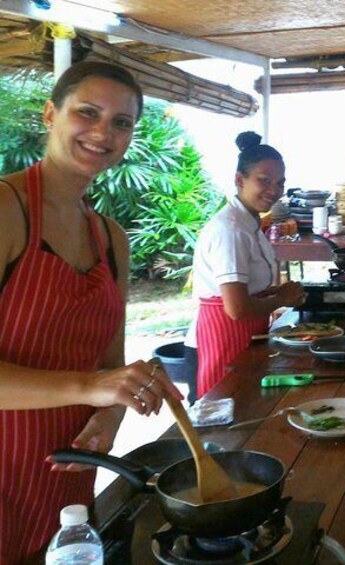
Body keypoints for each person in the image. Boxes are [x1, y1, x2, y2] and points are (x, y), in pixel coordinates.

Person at [0, 61, 183, 563]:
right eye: (88, 112)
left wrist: (108, 413)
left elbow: (110, 357)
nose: (104, 132)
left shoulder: (110, 238)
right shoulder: (6, 209)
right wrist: (91, 387)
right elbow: (94, 378)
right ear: (50, 115)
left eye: (122, 122)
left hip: (69, 469)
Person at [186, 132, 305, 398]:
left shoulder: (249, 223)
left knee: (246, 406)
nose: (274, 190)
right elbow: (236, 308)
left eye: (280, 182)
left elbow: (247, 288)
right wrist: (281, 298)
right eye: (264, 180)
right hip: (220, 340)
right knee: (226, 417)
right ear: (240, 180)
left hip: (243, 336)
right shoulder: (231, 230)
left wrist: (277, 293)